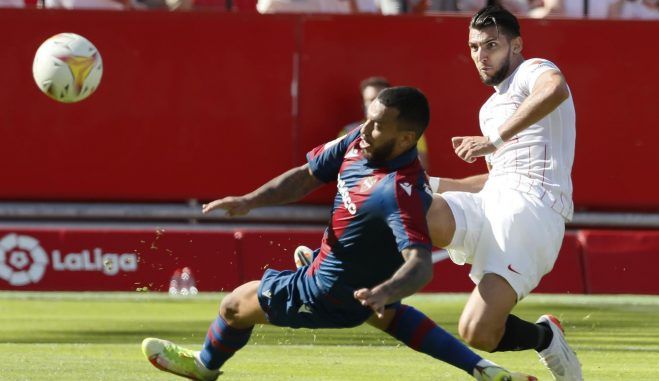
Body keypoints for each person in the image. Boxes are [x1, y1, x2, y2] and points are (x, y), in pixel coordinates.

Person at [141, 87, 535, 381]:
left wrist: (385, 291)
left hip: (325, 293)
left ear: (405, 139)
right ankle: (482, 368)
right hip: (353, 282)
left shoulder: (397, 191)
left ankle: (205, 367)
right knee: (387, 316)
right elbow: (307, 175)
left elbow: (419, 264)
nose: (366, 128)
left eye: (378, 124)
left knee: (234, 305)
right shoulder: (358, 143)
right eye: (368, 117)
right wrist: (249, 201)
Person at [424, 5, 583, 381]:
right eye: (475, 46)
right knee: (413, 202)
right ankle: (336, 268)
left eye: (491, 45)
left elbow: (555, 89)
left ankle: (546, 338)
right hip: (492, 202)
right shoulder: (489, 108)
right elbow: (492, 179)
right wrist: (424, 182)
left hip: (535, 211)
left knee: (476, 332)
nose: (481, 55)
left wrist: (492, 140)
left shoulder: (533, 70)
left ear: (516, 45)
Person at [342, 76, 429, 171]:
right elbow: (342, 169)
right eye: (371, 99)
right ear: (363, 104)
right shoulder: (348, 132)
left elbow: (422, 168)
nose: (377, 104)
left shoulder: (408, 131)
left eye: (383, 99)